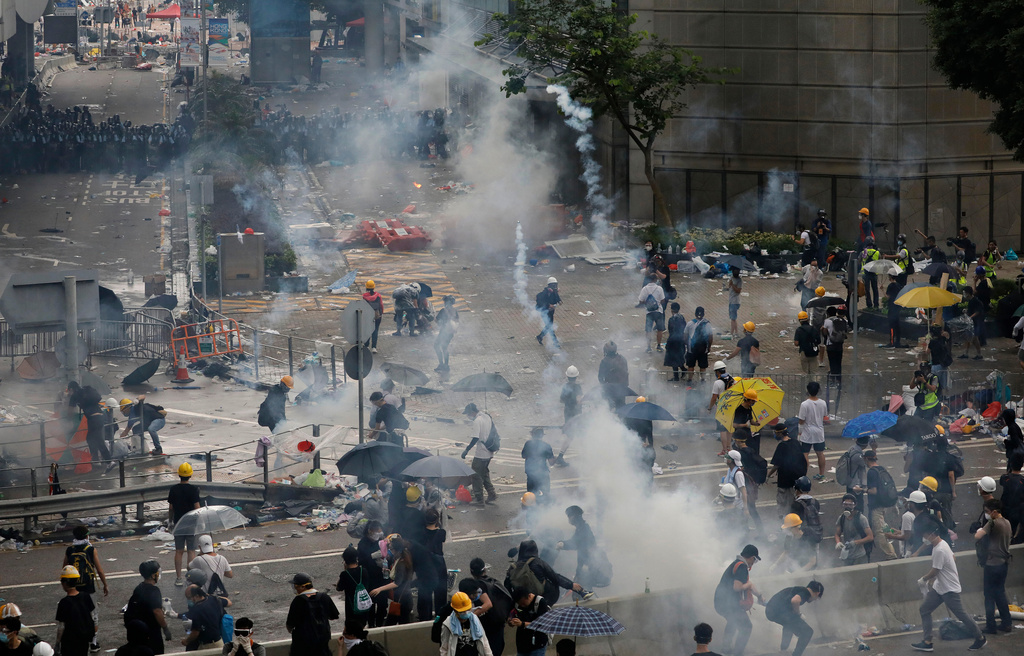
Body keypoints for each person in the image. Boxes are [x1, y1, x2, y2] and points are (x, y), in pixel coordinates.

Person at [912, 519, 986, 652]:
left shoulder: (940, 549)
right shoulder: (942, 544)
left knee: (962, 615)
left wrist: (924, 579)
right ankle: (927, 641)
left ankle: (980, 638)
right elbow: (952, 559)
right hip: (939, 587)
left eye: (924, 535)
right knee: (924, 609)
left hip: (949, 589)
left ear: (931, 534)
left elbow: (936, 570)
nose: (924, 538)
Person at [61, 526, 107, 652]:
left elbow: (64, 569)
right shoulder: (91, 549)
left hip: (73, 586)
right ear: (87, 536)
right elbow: (100, 570)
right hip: (88, 587)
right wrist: (105, 584)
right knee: (93, 614)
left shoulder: (70, 549)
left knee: (73, 614)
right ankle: (93, 643)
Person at [713, 545, 764, 656]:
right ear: (751, 557)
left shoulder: (736, 564)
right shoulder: (741, 567)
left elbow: (747, 585)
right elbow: (737, 587)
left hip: (721, 602)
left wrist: (759, 595)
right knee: (746, 627)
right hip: (728, 604)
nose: (753, 563)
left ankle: (725, 650)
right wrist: (749, 584)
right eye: (754, 560)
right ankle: (737, 653)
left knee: (732, 621)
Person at [505, 539, 588, 606]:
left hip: (522, 599)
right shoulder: (537, 562)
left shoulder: (513, 567)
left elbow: (507, 586)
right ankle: (547, 606)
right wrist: (571, 585)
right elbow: (554, 577)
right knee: (552, 581)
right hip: (543, 597)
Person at [975, 499, 1012, 635]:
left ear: (994, 512)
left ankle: (991, 625)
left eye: (987, 512)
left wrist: (979, 529)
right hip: (1004, 563)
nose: (986, 514)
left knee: (989, 595)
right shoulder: (1007, 522)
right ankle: (1007, 623)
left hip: (992, 564)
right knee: (1000, 593)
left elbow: (977, 536)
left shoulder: (993, 523)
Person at [123, 560, 172, 655]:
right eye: (158, 573)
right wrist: (165, 628)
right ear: (153, 576)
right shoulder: (154, 591)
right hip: (151, 631)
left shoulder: (139, 587)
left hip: (139, 631)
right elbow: (157, 612)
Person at [764, 581, 824, 656]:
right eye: (817, 598)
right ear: (817, 593)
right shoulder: (806, 593)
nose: (814, 600)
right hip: (779, 612)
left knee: (790, 624)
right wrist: (798, 614)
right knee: (807, 632)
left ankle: (783, 650)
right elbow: (795, 600)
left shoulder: (799, 589)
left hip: (770, 611)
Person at [285, 573, 339, 656]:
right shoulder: (324, 597)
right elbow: (334, 616)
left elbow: (290, 623)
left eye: (296, 586)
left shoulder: (298, 600)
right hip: (323, 639)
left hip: (303, 642)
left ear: (303, 587)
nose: (295, 589)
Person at [556, 506, 608, 592]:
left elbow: (575, 543)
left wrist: (563, 544)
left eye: (569, 515)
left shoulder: (584, 529)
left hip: (588, 566)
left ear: (575, 516)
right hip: (587, 565)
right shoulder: (581, 528)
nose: (569, 518)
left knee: (581, 593)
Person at [468, 558, 513, 656]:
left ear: (471, 572)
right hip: (499, 624)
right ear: (485, 569)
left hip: (486, 627)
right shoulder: (494, 582)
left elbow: (487, 605)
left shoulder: (477, 586)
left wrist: (470, 617)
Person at [166, 463, 201, 586]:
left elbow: (171, 508)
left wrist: (170, 521)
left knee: (179, 551)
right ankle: (190, 577)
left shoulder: (173, 489)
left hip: (178, 523)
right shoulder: (194, 489)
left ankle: (178, 578)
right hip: (191, 523)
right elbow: (197, 508)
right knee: (191, 551)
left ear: (179, 474)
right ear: (190, 475)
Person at [860, 450, 898, 560]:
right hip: (885, 503)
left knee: (879, 531)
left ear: (866, 459)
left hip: (876, 506)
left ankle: (890, 554)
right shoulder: (881, 468)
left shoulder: (871, 472)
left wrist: (863, 490)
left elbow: (874, 491)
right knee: (883, 525)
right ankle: (893, 534)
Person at [460, 403, 498, 506]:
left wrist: (467, 450)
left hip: (481, 453)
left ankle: (479, 499)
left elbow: (475, 437)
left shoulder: (477, 421)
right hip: (490, 451)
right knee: (484, 473)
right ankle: (491, 494)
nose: (468, 416)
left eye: (468, 414)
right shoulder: (487, 417)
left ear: (472, 412)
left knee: (475, 475)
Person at [768, 423, 807, 520]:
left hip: (785, 480)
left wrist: (768, 475)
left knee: (783, 503)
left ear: (779, 433)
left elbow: (777, 464)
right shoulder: (795, 442)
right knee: (795, 501)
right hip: (797, 479)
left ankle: (785, 521)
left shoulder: (782, 446)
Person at [55, 566, 95, 656]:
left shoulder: (64, 602)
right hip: (84, 639)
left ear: (65, 583)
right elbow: (92, 617)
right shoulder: (86, 596)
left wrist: (57, 644)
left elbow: (61, 626)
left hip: (69, 642)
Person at [356, 521, 389, 627]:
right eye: (376, 532)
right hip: (370, 578)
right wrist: (371, 556)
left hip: (382, 576)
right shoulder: (363, 543)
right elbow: (360, 560)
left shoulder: (381, 541)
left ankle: (380, 622)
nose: (378, 534)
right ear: (370, 531)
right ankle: (371, 624)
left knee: (383, 603)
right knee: (371, 603)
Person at [439, 591, 493, 656]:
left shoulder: (475, 620)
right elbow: (444, 648)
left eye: (467, 610)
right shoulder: (448, 624)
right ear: (455, 610)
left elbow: (484, 642)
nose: (465, 613)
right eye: (462, 612)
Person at [180, 587, 230, 651]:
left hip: (208, 646)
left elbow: (195, 632)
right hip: (219, 642)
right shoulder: (212, 599)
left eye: (191, 598)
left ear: (197, 596)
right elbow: (228, 602)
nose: (191, 600)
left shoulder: (196, 609)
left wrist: (186, 641)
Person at [797, 382, 827, 481]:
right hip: (819, 431)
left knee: (805, 453)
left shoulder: (804, 404)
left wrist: (799, 430)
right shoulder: (823, 403)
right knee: (820, 453)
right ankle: (821, 474)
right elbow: (824, 416)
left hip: (807, 432)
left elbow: (801, 420)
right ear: (818, 390)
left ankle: (804, 475)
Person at [508, 587, 551, 656]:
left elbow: (541, 624)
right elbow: (512, 613)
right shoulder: (517, 603)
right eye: (520, 604)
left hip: (537, 644)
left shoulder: (540, 602)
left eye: (523, 603)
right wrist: (511, 621)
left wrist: (522, 624)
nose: (522, 606)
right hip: (522, 645)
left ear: (529, 596)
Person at [834, 493, 873, 565]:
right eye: (845, 504)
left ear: (855, 505)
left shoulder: (861, 518)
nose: (847, 507)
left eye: (850, 505)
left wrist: (855, 542)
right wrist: (838, 542)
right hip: (847, 556)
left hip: (859, 556)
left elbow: (870, 537)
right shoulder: (842, 518)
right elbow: (837, 534)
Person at [336, 546, 372, 623]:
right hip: (364, 604)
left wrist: (345, 570)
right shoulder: (364, 571)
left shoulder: (345, 574)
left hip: (352, 606)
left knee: (352, 626)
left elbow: (339, 588)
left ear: (345, 560)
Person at [708, 362, 736, 456]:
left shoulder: (718, 383)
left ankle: (724, 450)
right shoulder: (732, 379)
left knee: (722, 429)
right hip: (731, 407)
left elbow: (714, 397)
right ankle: (729, 448)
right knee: (729, 428)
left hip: (722, 408)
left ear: (717, 372)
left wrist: (709, 408)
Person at [522, 428, 554, 499]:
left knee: (531, 495)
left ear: (532, 434)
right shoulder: (546, 446)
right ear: (542, 435)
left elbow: (524, 456)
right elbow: (551, 462)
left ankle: (530, 509)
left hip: (530, 473)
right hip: (543, 473)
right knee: (546, 494)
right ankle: (547, 508)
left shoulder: (528, 444)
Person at [684, 307, 714, 382]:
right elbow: (710, 337)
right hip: (703, 348)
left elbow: (685, 336)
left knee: (691, 365)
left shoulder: (690, 323)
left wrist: (687, 345)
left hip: (692, 348)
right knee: (703, 365)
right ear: (703, 314)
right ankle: (703, 379)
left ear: (695, 314)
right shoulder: (707, 324)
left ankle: (690, 379)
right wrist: (709, 347)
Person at [597, 341, 629, 411]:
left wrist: (604, 386)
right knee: (621, 408)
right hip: (622, 389)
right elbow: (626, 373)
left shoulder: (604, 361)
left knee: (609, 409)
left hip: (610, 390)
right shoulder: (622, 359)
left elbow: (600, 377)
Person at [638, 275, 666, 353]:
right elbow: (663, 300)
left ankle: (648, 347)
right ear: (655, 279)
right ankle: (659, 346)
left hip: (649, 312)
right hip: (658, 312)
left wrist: (647, 303)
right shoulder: (659, 288)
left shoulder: (644, 289)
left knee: (648, 330)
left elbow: (640, 301)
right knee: (660, 330)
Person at [822, 306, 846, 389]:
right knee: (838, 363)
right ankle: (839, 381)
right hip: (839, 345)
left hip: (830, 345)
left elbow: (825, 333)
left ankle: (833, 381)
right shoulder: (842, 320)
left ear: (828, 313)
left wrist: (824, 330)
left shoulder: (827, 321)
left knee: (832, 363)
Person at [843, 436, 870, 510]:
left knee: (850, 504)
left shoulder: (851, 448)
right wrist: (874, 449)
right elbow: (869, 464)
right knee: (858, 507)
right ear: (866, 445)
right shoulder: (858, 456)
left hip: (849, 480)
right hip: (856, 485)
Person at [433, 295, 458, 371]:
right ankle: (446, 365)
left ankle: (441, 364)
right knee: (444, 348)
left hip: (444, 332)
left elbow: (437, 320)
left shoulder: (443, 310)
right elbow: (457, 321)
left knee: (436, 345)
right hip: (450, 333)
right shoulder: (454, 310)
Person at [535, 277, 562, 348]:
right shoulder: (544, 293)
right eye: (553, 285)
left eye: (555, 285)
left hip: (551, 312)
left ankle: (540, 336)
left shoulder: (554, 292)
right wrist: (548, 305)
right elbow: (540, 301)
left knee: (548, 326)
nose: (554, 287)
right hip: (544, 312)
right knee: (550, 327)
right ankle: (555, 342)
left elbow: (556, 297)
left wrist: (559, 301)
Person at [664, 302, 687, 381]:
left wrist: (668, 342)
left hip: (674, 341)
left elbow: (671, 331)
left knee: (673, 359)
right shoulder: (682, 318)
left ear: (672, 310)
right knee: (679, 357)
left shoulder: (672, 319)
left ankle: (676, 377)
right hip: (681, 341)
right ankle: (683, 370)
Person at [961, 287, 985, 360]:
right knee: (968, 337)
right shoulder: (971, 301)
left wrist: (970, 317)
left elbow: (977, 311)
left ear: (968, 293)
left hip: (975, 322)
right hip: (971, 322)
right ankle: (966, 353)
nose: (964, 294)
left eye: (964, 293)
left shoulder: (975, 301)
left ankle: (979, 354)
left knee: (974, 338)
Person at [361, 280, 384, 354]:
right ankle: (374, 347)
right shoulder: (378, 295)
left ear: (366, 287)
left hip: (367, 315)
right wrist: (381, 313)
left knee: (367, 329)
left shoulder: (364, 296)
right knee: (375, 330)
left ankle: (366, 345)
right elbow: (381, 305)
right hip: (376, 314)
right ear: (374, 287)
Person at [885, 275, 904, 348]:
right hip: (897, 308)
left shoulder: (890, 286)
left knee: (891, 326)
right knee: (897, 326)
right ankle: (898, 341)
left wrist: (882, 290)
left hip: (892, 308)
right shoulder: (899, 285)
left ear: (890, 278)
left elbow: (887, 297)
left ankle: (892, 342)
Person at [861, 239, 881, 309]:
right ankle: (876, 305)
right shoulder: (877, 252)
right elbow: (880, 261)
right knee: (875, 289)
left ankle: (869, 305)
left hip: (865, 273)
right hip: (874, 273)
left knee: (867, 290)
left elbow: (858, 261)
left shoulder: (863, 252)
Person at [726, 268, 742, 337]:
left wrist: (732, 285)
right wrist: (729, 285)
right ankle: (736, 332)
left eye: (737, 271)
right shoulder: (731, 278)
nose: (736, 272)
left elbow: (738, 291)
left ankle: (733, 333)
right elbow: (729, 288)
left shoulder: (739, 280)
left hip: (735, 301)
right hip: (731, 300)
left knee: (733, 318)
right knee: (733, 318)